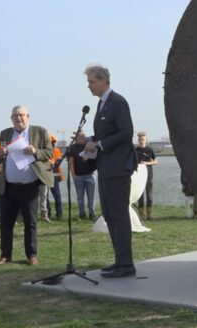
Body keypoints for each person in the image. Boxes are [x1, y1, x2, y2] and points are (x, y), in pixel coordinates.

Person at [77, 65, 138, 278]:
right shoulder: (102, 104)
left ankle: (126, 265)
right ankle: (120, 261)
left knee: (119, 216)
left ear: (104, 81)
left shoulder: (117, 102)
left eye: (92, 81)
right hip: (105, 168)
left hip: (117, 168)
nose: (89, 86)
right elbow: (106, 133)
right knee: (110, 215)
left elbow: (126, 132)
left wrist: (99, 144)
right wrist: (88, 140)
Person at [0, 105, 53, 266]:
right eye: (15, 116)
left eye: (21, 115)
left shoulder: (40, 131)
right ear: (11, 118)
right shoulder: (5, 133)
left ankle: (31, 255)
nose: (18, 118)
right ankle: (5, 255)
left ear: (28, 117)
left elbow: (49, 153)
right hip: (8, 186)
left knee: (30, 223)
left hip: (30, 186)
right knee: (6, 223)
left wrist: (35, 151)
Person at [69, 131, 97, 221]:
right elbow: (71, 162)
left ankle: (92, 214)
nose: (82, 137)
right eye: (80, 136)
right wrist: (73, 175)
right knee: (80, 197)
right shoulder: (73, 147)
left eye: (84, 135)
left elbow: (96, 155)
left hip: (90, 175)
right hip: (78, 176)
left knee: (91, 197)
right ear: (76, 137)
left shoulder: (89, 145)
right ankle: (82, 214)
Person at [135, 131, 158, 220]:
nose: (141, 141)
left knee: (149, 195)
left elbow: (156, 162)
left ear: (146, 140)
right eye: (140, 140)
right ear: (138, 140)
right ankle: (141, 215)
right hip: (138, 176)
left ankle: (149, 215)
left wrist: (146, 163)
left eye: (143, 139)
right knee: (140, 196)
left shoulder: (149, 150)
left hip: (149, 175)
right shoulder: (135, 150)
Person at [47, 135, 63, 221]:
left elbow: (57, 163)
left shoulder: (56, 151)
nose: (51, 144)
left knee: (57, 196)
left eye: (52, 142)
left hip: (54, 178)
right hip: (45, 177)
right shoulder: (43, 151)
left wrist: (50, 162)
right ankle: (48, 214)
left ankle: (59, 214)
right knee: (45, 198)